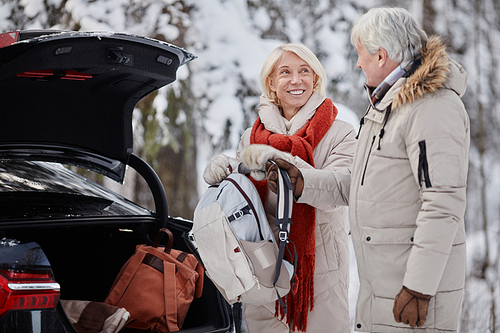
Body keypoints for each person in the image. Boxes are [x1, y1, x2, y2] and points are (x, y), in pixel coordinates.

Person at [264, 6, 470, 333]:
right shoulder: (385, 107)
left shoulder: (432, 107)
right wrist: (304, 181)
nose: (358, 63)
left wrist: (419, 286)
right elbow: (361, 184)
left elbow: (443, 204)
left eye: (361, 54)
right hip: (384, 283)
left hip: (413, 290)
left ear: (381, 56)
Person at [202, 43, 356, 332]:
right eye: (285, 72)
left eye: (304, 72)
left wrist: (288, 166)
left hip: (318, 275)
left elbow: (343, 188)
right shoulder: (252, 135)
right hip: (263, 265)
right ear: (271, 83)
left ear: (315, 79)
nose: (296, 80)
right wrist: (224, 172)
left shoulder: (340, 132)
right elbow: (243, 197)